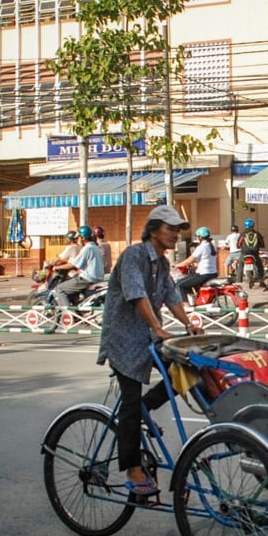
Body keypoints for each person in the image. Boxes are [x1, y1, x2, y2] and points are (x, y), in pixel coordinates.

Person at [96, 205, 202, 496]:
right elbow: (136, 294)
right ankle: (133, 469)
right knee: (130, 400)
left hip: (149, 336)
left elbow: (171, 295)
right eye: (170, 229)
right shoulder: (134, 255)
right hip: (124, 339)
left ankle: (147, 408)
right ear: (154, 230)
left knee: (186, 373)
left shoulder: (163, 264)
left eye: (178, 230)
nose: (175, 235)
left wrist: (188, 323)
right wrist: (157, 327)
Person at [50, 225, 104, 308]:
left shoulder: (87, 248)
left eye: (78, 237)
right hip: (97, 277)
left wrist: (58, 267)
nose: (77, 240)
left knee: (59, 289)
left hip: (87, 278)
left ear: (83, 238)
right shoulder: (95, 247)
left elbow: (73, 264)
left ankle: (68, 314)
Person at [174, 226, 218, 303]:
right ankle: (196, 301)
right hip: (212, 273)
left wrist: (178, 265)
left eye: (198, 236)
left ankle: (185, 306)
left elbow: (190, 259)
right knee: (189, 283)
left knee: (179, 284)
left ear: (200, 237)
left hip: (203, 274)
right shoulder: (212, 245)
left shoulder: (202, 247)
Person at [237, 219, 266, 287]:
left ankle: (239, 281)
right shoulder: (257, 234)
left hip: (244, 253)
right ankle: (261, 280)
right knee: (259, 266)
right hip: (255, 254)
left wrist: (241, 247)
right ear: (253, 225)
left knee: (240, 266)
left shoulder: (243, 234)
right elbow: (262, 244)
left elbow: (238, 244)